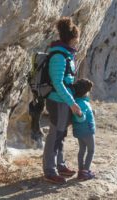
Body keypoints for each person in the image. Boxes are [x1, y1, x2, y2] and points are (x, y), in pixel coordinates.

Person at [43, 16, 82, 184]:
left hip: (64, 101)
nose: (78, 41)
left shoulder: (66, 54)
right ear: (72, 38)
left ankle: (60, 164)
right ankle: (49, 170)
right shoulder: (58, 55)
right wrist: (71, 103)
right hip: (57, 100)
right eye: (77, 38)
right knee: (54, 135)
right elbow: (58, 82)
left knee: (61, 135)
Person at [72, 79, 96, 180]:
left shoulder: (76, 101)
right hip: (87, 131)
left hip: (79, 131)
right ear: (85, 92)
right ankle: (85, 172)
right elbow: (81, 117)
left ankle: (81, 170)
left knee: (82, 150)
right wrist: (81, 115)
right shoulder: (83, 104)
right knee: (91, 150)